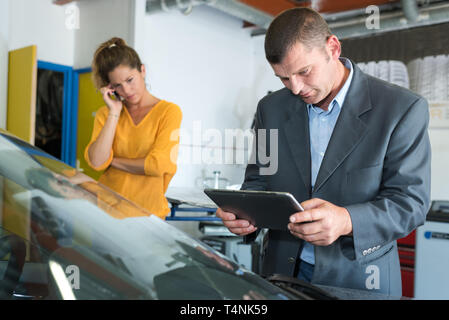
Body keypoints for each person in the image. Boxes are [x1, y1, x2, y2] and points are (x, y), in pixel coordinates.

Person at [216, 8, 431, 296]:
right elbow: (258, 182)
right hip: (282, 273)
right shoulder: (270, 109)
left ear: (333, 47)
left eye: (304, 72)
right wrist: (244, 216)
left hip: (359, 279)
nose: (295, 88)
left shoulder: (401, 109)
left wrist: (346, 220)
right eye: (283, 78)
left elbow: (411, 203)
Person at [85, 37, 182, 219]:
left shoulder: (169, 112)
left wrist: (111, 160)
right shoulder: (105, 114)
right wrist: (114, 112)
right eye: (117, 86)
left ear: (142, 70)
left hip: (148, 217)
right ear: (110, 88)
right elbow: (97, 162)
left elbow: (157, 165)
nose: (127, 90)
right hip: (106, 213)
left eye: (130, 80)